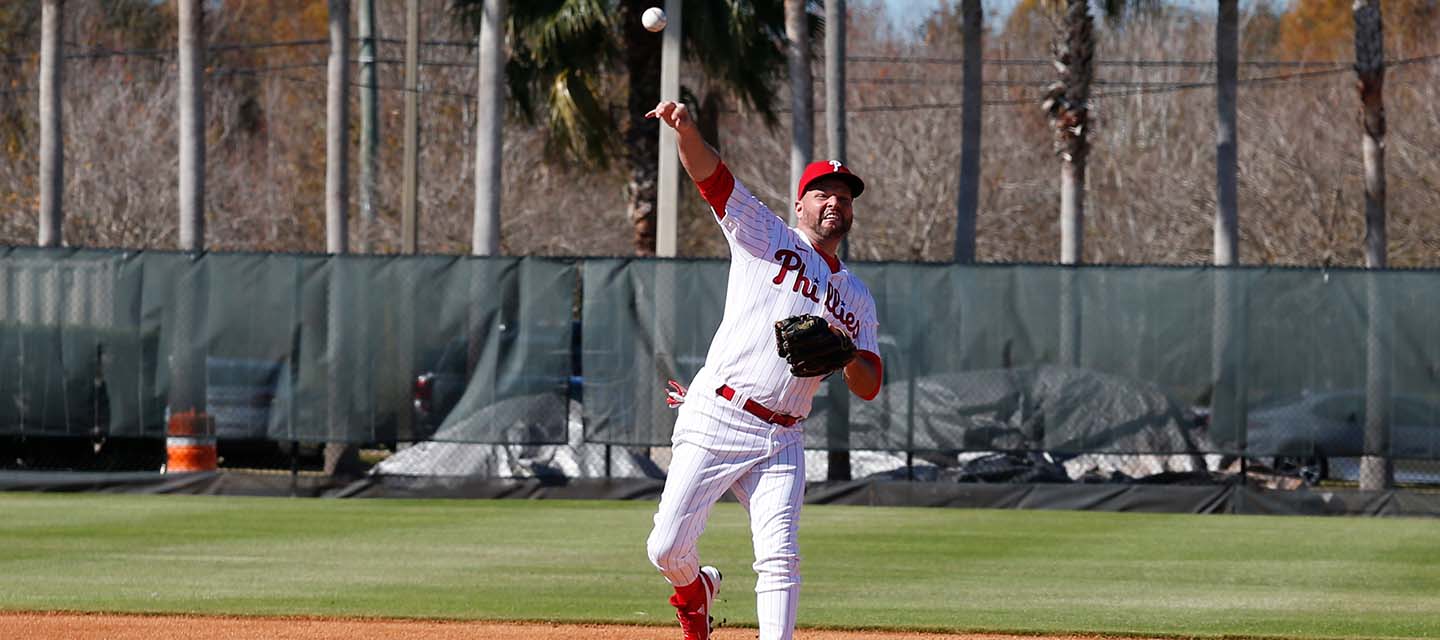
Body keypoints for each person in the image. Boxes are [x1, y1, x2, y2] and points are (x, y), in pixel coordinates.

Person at [642, 99, 884, 640]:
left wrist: (846, 355)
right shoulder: (766, 236)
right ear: (800, 205)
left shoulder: (859, 299)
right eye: (823, 192)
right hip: (718, 411)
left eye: (844, 197)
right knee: (665, 547)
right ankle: (695, 590)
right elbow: (713, 178)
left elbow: (870, 384)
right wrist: (686, 130)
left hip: (782, 437)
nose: (835, 202)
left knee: (780, 557)